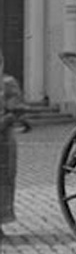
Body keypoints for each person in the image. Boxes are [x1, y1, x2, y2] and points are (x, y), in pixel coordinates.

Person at [1, 49, 27, 239]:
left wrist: (9, 118)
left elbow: (17, 109)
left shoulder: (7, 83)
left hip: (4, 139)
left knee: (4, 180)